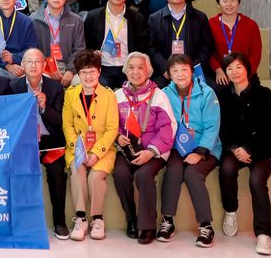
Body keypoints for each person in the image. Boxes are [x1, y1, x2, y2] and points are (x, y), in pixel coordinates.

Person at [217, 52, 271, 256]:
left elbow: (268, 127)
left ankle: (263, 234)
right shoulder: (223, 96)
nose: (234, 72)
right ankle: (230, 211)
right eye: (229, 68)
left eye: (238, 67)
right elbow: (222, 128)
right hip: (234, 148)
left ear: (247, 69)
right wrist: (236, 148)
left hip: (261, 149)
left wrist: (249, 148)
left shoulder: (264, 93)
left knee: (256, 181)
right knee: (226, 168)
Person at [158, 55, 221, 247]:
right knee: (174, 170)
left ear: (192, 71)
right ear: (168, 74)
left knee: (193, 174)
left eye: (184, 70)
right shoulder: (164, 94)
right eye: (175, 71)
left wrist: (200, 152)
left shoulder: (207, 93)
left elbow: (212, 127)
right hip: (177, 145)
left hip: (206, 146)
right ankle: (167, 221)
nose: (180, 74)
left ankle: (206, 226)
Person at [113, 52, 176, 245]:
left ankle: (147, 226)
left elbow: (168, 127)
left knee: (143, 175)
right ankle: (131, 219)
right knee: (120, 174)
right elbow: (110, 124)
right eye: (131, 67)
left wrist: (151, 151)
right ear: (125, 71)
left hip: (153, 151)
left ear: (148, 71)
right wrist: (117, 136)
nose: (135, 71)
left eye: (140, 67)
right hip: (127, 150)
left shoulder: (159, 95)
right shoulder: (117, 95)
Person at [10, 48, 68, 239]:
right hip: (24, 143)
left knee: (57, 172)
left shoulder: (55, 88)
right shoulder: (13, 86)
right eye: (29, 61)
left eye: (37, 61)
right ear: (22, 65)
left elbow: (60, 121)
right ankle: (23, 223)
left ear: (44, 64)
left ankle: (60, 222)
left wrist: (44, 107)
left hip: (50, 142)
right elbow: (9, 119)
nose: (33, 65)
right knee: (19, 170)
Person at [62, 49, 119, 241]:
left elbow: (112, 129)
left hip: (103, 149)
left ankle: (97, 219)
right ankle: (81, 219)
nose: (88, 76)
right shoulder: (70, 94)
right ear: (78, 74)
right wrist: (78, 150)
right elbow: (67, 125)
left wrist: (96, 153)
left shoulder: (109, 95)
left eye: (92, 71)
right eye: (84, 72)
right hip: (77, 148)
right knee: (77, 171)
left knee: (95, 177)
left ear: (99, 72)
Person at [147, 0, 214, 87]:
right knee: (155, 90)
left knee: (212, 89)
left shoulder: (200, 17)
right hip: (165, 73)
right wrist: (165, 68)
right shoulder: (154, 19)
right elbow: (151, 47)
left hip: (194, 71)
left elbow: (207, 46)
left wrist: (193, 67)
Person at [83, 0, 149, 88]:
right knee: (99, 90)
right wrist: (93, 54)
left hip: (128, 68)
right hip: (102, 67)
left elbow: (142, 47)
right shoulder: (93, 16)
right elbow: (86, 44)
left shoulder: (137, 18)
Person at [30, 0, 85, 87]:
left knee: (81, 82)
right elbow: (31, 49)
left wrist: (70, 71)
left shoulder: (76, 20)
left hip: (69, 66)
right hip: (43, 66)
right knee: (37, 81)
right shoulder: (34, 19)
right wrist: (46, 68)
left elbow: (80, 49)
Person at [209, 0, 263, 86]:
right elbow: (208, 52)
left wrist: (245, 73)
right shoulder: (210, 24)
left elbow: (256, 54)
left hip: (246, 73)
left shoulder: (251, 25)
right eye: (224, 1)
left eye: (233, 0)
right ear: (218, 4)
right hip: (221, 74)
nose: (229, 4)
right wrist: (217, 69)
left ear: (239, 3)